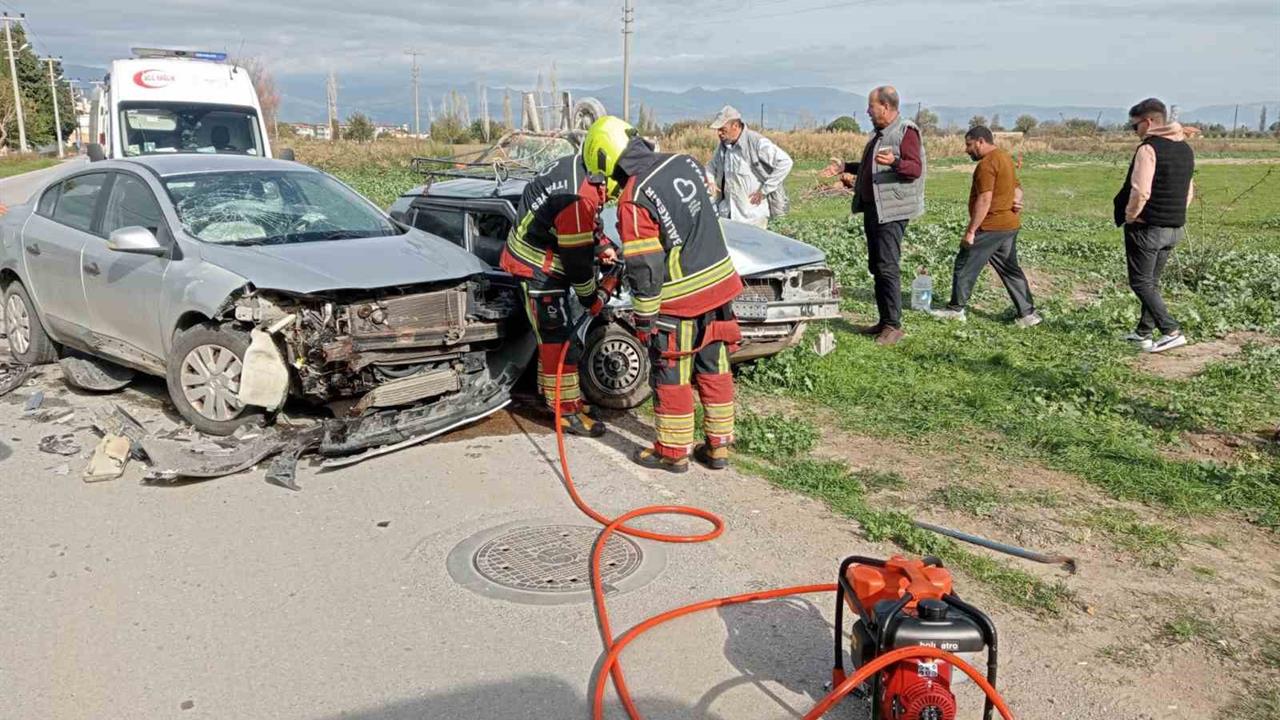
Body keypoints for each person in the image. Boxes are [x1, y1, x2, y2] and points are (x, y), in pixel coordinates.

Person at [583, 116, 743, 474]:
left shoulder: (633, 199)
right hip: (720, 289)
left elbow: (646, 269)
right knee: (714, 366)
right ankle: (719, 449)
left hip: (681, 300)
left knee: (670, 372)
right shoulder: (682, 161)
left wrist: (644, 318)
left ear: (608, 159)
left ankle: (673, 452)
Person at [499, 150, 616, 437]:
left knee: (559, 338)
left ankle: (556, 398)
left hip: (545, 258)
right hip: (537, 268)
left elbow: (589, 221)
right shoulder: (578, 197)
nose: (613, 196)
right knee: (557, 340)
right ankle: (565, 412)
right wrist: (592, 298)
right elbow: (578, 266)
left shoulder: (580, 167)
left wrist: (602, 246)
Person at [819, 86, 926, 346]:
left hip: (892, 211)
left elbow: (915, 168)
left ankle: (893, 326)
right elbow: (870, 167)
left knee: (887, 266)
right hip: (875, 209)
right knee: (877, 266)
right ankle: (884, 320)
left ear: (886, 107)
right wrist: (845, 167)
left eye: (871, 106)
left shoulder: (906, 132)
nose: (867, 111)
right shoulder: (879, 134)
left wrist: (895, 163)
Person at [930, 126, 1041, 327]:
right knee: (1009, 268)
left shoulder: (987, 164)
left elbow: (985, 198)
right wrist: (1017, 200)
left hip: (991, 226)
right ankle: (1028, 314)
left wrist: (971, 231)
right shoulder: (1004, 157)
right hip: (1009, 225)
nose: (966, 149)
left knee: (964, 264)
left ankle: (956, 309)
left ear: (981, 141)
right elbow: (1017, 187)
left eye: (969, 144)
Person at [1113, 97, 1195, 353]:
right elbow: (1188, 190)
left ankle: (1171, 330)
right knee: (1152, 282)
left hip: (1147, 227)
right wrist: (1175, 214)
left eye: (1134, 126)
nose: (1133, 131)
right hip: (1174, 227)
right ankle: (1143, 333)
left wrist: (1130, 215)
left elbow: (1141, 190)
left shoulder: (1149, 149)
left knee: (1140, 283)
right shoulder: (1185, 148)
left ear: (1148, 122)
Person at [705, 105, 794, 229]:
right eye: (718, 130)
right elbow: (710, 166)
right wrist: (711, 182)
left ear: (735, 126)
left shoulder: (756, 142)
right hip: (728, 214)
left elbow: (785, 162)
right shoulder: (723, 147)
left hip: (753, 217)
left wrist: (764, 191)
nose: (719, 133)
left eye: (723, 129)